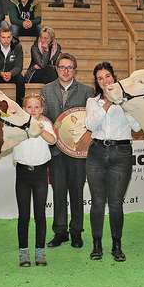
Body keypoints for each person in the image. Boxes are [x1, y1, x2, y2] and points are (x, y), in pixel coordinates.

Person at [86, 62, 141, 262]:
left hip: (122, 153)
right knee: (98, 203)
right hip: (97, 153)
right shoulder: (92, 102)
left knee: (116, 204)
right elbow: (90, 124)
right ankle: (97, 245)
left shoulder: (126, 101)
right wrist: (108, 103)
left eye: (107, 76)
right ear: (97, 82)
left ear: (114, 77)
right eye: (100, 78)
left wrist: (123, 104)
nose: (104, 81)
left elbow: (136, 126)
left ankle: (117, 246)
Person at [41, 53, 94, 248]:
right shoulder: (46, 90)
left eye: (70, 67)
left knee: (77, 192)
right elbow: (43, 118)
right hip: (55, 152)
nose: (65, 71)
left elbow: (91, 121)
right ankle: (60, 231)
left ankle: (77, 232)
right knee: (59, 192)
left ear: (75, 70)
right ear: (57, 69)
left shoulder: (87, 91)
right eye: (62, 67)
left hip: (78, 153)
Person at [12, 94, 57, 267]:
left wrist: (40, 129)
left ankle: (40, 251)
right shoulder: (17, 125)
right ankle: (23, 252)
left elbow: (52, 141)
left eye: (36, 107)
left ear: (42, 110)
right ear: (23, 109)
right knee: (23, 216)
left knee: (40, 215)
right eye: (29, 107)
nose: (33, 110)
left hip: (40, 174)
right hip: (22, 174)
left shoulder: (45, 124)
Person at [0, 25, 25, 104]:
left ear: (12, 37)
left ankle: (20, 105)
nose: (6, 40)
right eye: (3, 37)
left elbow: (19, 66)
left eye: (8, 37)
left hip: (12, 74)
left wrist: (11, 73)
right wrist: (1, 73)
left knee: (21, 79)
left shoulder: (17, 47)